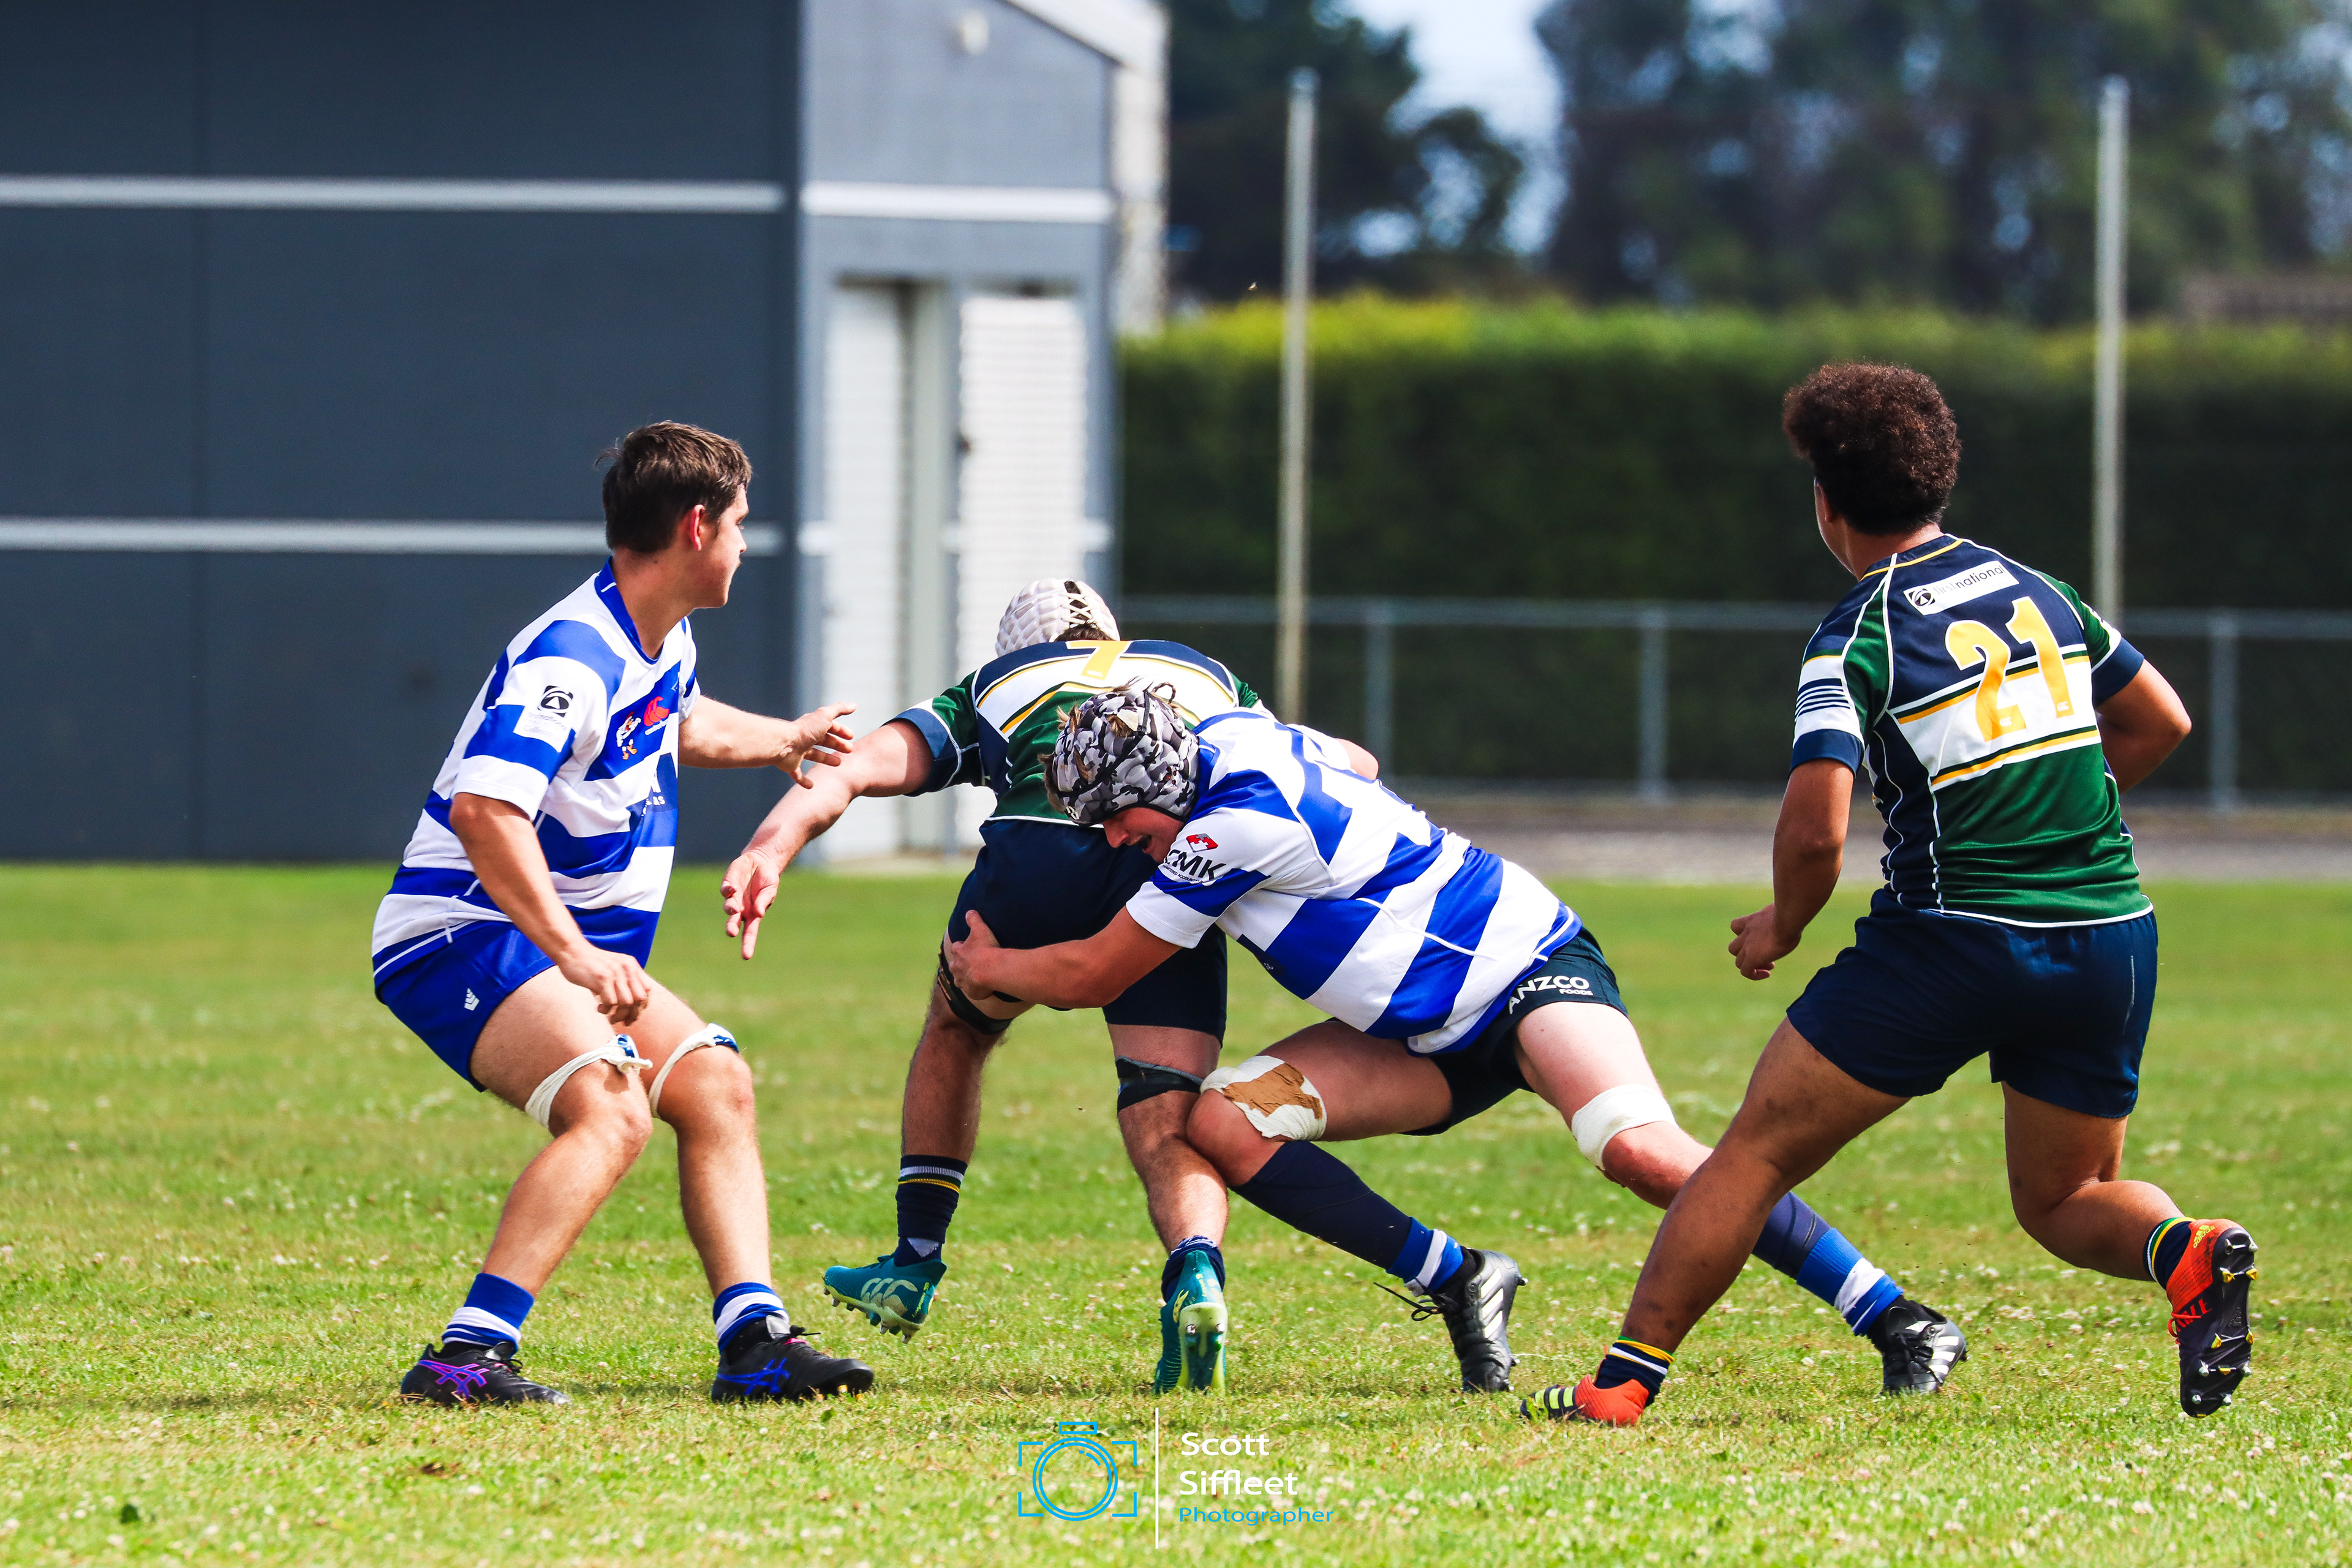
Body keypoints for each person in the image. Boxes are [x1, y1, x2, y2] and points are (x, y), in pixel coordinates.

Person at [1538, 363, 2245, 1428]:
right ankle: (2187, 1249)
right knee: (2065, 1199)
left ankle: (1620, 1388)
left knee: (1753, 1156)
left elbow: (1817, 829)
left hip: (1952, 943)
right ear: (1938, 479)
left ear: (1826, 503)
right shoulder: (2039, 591)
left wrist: (1782, 924)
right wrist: (2053, 815)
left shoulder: (1857, 631)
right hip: (2109, 936)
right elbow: (2162, 720)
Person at [944, 682, 1967, 1397]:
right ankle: (1461, 1277)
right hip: (1421, 1033)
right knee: (1224, 1125)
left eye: (1119, 820)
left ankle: (1897, 1316)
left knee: (1638, 1150)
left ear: (1166, 787)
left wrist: (987, 969)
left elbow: (1094, 975)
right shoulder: (1239, 741)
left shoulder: (1225, 829)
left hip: (1525, 974)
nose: (1114, 841)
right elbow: (1356, 759)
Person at [371, 422, 874, 1406]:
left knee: (716, 1084)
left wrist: (785, 738)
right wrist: (573, 953)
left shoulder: (657, 634)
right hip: (460, 936)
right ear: (696, 527)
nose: (744, 543)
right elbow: (485, 811)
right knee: (611, 1108)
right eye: (738, 523)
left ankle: (756, 1346)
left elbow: (677, 718)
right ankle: (465, 1358)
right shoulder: (571, 657)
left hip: (543, 946)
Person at [722, 582, 1260, 1393]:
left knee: (958, 1031)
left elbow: (854, 770)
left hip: (1041, 853)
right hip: (1167, 858)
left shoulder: (998, 683)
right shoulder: (1203, 671)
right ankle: (1196, 1270)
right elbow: (1313, 766)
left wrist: (771, 847)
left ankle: (913, 1263)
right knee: (1165, 1103)